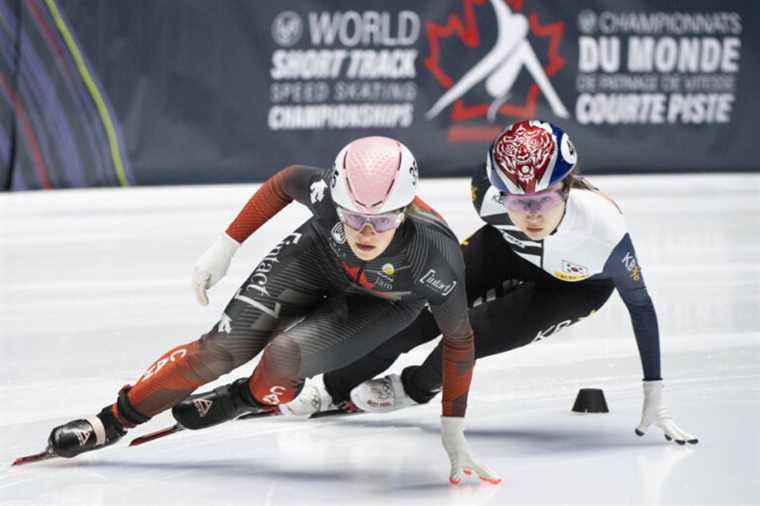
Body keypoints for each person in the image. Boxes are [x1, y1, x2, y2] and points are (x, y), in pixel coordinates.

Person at [41, 136, 500, 484]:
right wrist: (224, 248)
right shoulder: (325, 193)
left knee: (283, 358)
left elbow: (460, 341)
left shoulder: (434, 257)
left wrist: (453, 432)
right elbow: (284, 182)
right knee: (215, 352)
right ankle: (111, 420)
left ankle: (244, 399)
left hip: (383, 301)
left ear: (404, 212)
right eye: (352, 215)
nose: (364, 231)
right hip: (316, 257)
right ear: (335, 200)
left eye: (380, 220)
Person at [284, 120, 698, 446]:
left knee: (472, 335)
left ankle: (416, 387)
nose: (531, 215)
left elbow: (641, 307)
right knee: (409, 314)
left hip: (573, 287)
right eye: (517, 202)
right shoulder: (485, 194)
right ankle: (332, 390)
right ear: (500, 192)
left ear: (568, 187)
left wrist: (654, 391)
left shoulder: (604, 233)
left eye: (545, 200)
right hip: (506, 249)